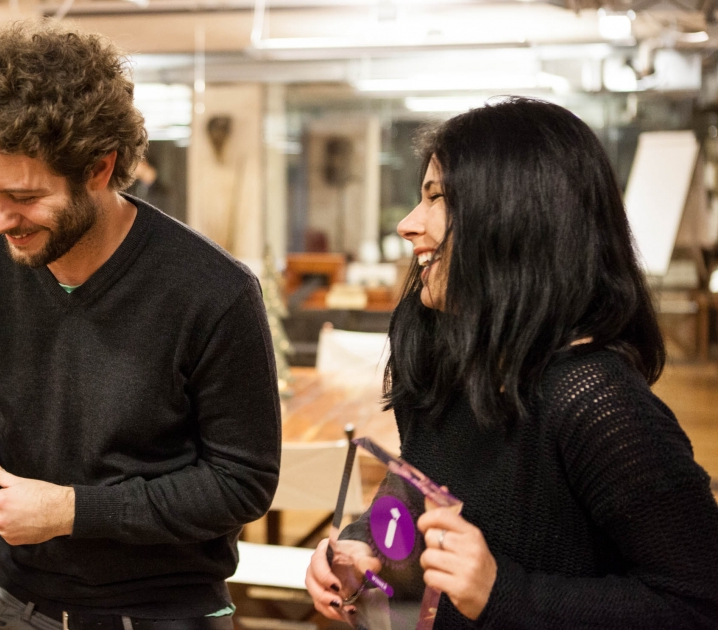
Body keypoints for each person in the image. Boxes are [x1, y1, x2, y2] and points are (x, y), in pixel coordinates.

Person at [304, 98, 718, 629]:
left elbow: (698, 603)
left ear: (515, 221)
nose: (409, 224)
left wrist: (502, 594)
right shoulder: (449, 360)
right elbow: (417, 490)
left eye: (437, 198)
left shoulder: (594, 401)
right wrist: (364, 550)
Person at [0, 20, 282, 629]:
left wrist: (73, 511)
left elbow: (241, 484)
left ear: (99, 166)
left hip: (167, 614)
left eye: (22, 196)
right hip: (18, 606)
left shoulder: (212, 291)